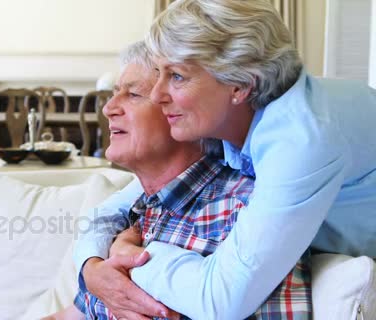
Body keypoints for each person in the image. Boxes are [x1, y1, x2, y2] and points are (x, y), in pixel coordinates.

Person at [74, 0, 376, 319]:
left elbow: (222, 301)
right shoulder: (232, 122)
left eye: (176, 76)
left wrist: (132, 258)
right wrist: (92, 267)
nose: (158, 94)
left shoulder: (301, 140)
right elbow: (119, 206)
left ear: (240, 85)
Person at [49, 41, 311, 320]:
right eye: (115, 94)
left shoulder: (247, 213)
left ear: (182, 113)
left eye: (134, 94)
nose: (109, 108)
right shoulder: (135, 214)